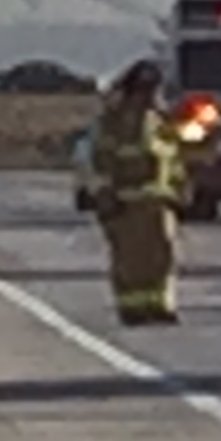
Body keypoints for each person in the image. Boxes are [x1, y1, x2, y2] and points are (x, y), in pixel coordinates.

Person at [89, 59, 186, 325]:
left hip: (159, 202)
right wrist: (105, 196)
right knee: (131, 260)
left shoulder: (159, 120)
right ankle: (131, 307)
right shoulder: (115, 121)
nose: (149, 95)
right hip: (126, 203)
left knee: (162, 256)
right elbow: (102, 160)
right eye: (145, 89)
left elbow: (173, 158)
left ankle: (159, 305)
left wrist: (181, 191)